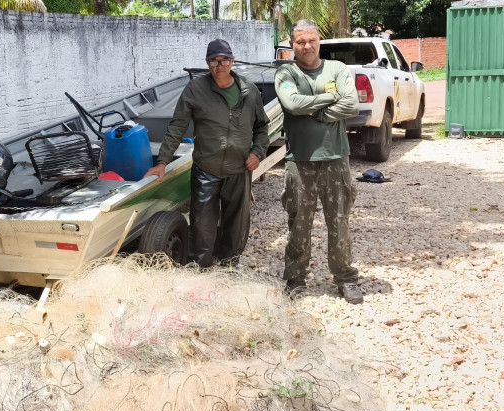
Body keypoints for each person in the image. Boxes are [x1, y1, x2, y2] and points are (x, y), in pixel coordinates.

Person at [144, 39, 270, 267]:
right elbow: (177, 127)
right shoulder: (195, 89)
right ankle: (201, 267)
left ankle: (230, 265)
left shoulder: (249, 91)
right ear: (207, 62)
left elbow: (261, 127)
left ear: (232, 61)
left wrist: (258, 152)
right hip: (206, 170)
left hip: (239, 169)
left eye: (224, 60)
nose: (219, 66)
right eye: (214, 61)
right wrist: (162, 162)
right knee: (202, 225)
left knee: (236, 224)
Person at [274, 20, 364, 304]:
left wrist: (320, 113)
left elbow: (351, 104)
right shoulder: (286, 71)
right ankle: (295, 277)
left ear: (319, 40)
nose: (307, 46)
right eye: (300, 42)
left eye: (311, 40)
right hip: (300, 160)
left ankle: (345, 278)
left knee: (339, 222)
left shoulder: (336, 68)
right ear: (292, 44)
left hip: (336, 157)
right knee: (298, 222)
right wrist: (328, 97)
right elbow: (291, 104)